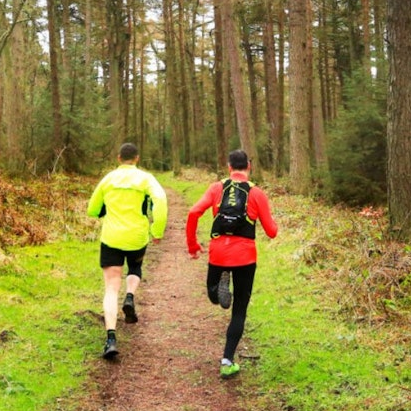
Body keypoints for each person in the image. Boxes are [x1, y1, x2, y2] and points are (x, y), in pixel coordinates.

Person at [185, 149, 278, 377]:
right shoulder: (256, 193)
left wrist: (193, 245)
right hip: (245, 257)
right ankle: (227, 361)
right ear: (249, 166)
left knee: (212, 294)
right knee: (239, 310)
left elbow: (193, 212)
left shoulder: (217, 188)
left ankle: (219, 289)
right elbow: (272, 232)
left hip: (218, 253)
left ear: (229, 167)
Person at [86, 142, 168, 360]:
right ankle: (130, 296)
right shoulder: (145, 179)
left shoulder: (108, 179)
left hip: (112, 237)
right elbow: (160, 200)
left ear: (118, 158)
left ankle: (111, 338)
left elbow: (92, 209)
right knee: (135, 267)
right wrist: (157, 230)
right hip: (137, 237)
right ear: (137, 158)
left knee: (111, 287)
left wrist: (104, 210)